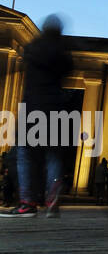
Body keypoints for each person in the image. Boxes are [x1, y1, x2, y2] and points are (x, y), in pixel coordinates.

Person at [2, 16, 73, 218]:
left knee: (25, 153)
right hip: (56, 107)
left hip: (34, 106)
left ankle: (27, 202)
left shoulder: (34, 48)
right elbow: (68, 69)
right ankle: (53, 193)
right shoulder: (63, 52)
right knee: (53, 154)